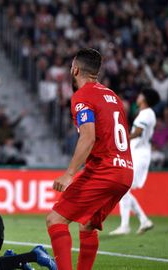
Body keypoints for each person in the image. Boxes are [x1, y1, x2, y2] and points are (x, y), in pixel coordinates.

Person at [46, 48, 133, 270]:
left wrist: (69, 174)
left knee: (55, 220)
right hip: (125, 171)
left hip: (104, 170)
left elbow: (88, 136)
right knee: (87, 225)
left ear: (75, 69)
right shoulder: (113, 96)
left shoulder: (82, 96)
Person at [110, 89, 159, 235]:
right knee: (123, 188)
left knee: (123, 188)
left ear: (145, 99)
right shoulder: (146, 113)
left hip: (140, 154)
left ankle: (129, 224)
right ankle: (141, 221)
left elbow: (138, 132)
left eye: (140, 95)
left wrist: (121, 140)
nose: (138, 96)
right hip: (137, 153)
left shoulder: (147, 113)